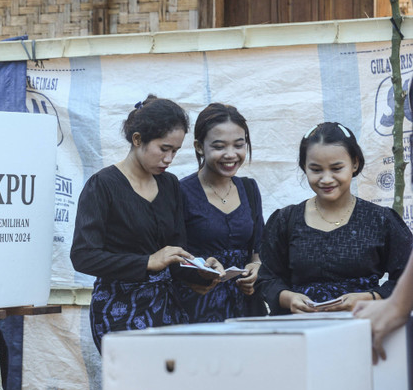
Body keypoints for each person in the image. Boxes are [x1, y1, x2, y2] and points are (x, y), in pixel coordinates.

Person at [70, 95, 223, 353]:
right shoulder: (103, 185)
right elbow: (83, 257)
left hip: (167, 308)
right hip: (118, 309)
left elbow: (175, 253)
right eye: (164, 149)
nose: (169, 158)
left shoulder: (170, 185)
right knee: (133, 389)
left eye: (175, 151)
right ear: (138, 139)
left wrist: (201, 270)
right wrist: (146, 262)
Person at [256, 122, 413, 315]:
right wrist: (289, 298)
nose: (327, 179)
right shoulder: (286, 220)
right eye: (316, 169)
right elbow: (267, 279)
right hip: (301, 332)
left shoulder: (380, 220)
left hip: (362, 329)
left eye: (336, 168)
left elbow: (407, 278)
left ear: (354, 163)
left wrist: (370, 297)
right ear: (304, 167)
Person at [174, 103, 266, 323]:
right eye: (219, 146)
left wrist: (256, 267)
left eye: (239, 145)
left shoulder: (249, 189)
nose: (231, 155)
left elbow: (258, 249)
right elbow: (172, 253)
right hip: (196, 309)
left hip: (246, 309)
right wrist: (199, 269)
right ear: (199, 146)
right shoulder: (180, 192)